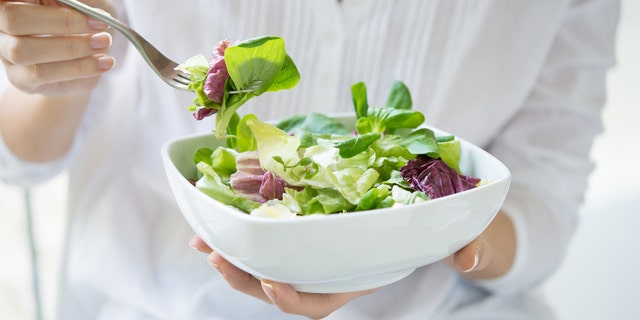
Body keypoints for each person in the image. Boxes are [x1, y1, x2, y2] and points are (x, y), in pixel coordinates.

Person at [0, 0, 619, 319]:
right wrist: (61, 68)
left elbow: (545, 199)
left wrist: (442, 231)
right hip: (159, 299)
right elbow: (24, 159)